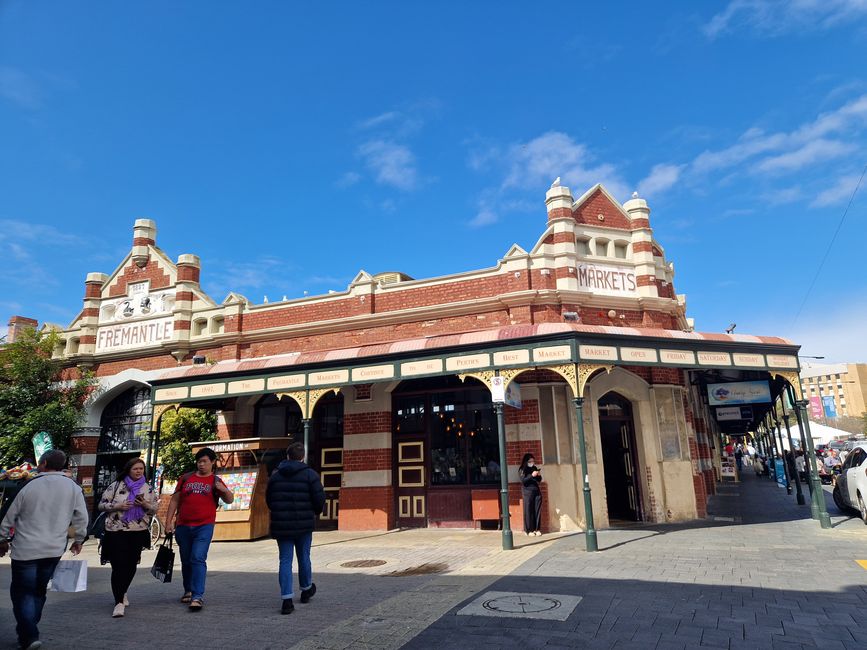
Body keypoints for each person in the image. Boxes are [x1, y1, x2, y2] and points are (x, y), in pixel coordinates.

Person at [0, 450, 88, 650]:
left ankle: (29, 633)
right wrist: (80, 539)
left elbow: (8, 515)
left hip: (26, 550)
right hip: (54, 549)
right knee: (39, 591)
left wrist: (2, 539)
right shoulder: (73, 488)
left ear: (44, 463)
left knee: (22, 593)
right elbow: (82, 517)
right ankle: (30, 627)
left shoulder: (28, 485)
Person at [164, 447, 234, 612]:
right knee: (187, 560)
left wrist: (224, 490)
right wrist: (168, 522)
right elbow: (175, 500)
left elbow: (229, 499)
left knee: (197, 558)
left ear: (212, 463)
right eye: (199, 461)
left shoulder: (215, 481)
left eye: (205, 461)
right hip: (183, 525)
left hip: (204, 525)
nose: (201, 465)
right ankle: (188, 589)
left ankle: (197, 596)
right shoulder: (186, 478)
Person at [265, 442, 325, 615]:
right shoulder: (310, 475)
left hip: (282, 524)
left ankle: (286, 599)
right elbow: (319, 498)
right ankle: (306, 589)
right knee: (304, 556)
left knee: (285, 560)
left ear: (287, 456)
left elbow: (269, 500)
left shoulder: (275, 476)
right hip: (304, 524)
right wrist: (315, 512)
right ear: (302, 457)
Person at [97, 457, 159, 618]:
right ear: (128, 470)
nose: (138, 471)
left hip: (137, 531)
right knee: (118, 566)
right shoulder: (116, 486)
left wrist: (145, 504)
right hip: (116, 531)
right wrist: (118, 506)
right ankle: (118, 602)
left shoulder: (148, 488)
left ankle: (123, 590)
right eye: (135, 469)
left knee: (131, 565)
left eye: (141, 468)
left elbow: (154, 509)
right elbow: (101, 504)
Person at [519, 452, 543, 536]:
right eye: (530, 461)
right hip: (527, 492)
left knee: (537, 510)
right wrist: (531, 475)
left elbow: (539, 480)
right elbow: (523, 480)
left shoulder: (534, 468)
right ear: (526, 461)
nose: (532, 463)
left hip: (536, 491)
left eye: (533, 461)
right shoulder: (522, 469)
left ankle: (537, 529)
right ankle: (529, 530)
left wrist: (538, 475)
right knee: (528, 510)